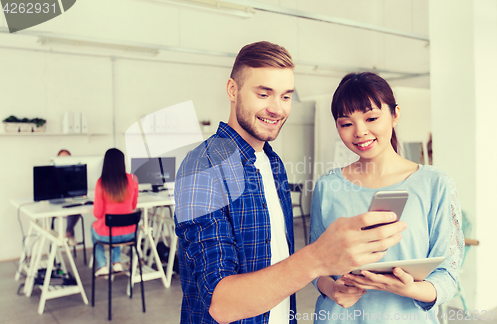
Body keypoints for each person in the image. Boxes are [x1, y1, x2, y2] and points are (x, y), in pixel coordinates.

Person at [174, 41, 407, 324]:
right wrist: (318, 258)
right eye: (264, 94)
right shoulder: (205, 167)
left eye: (286, 97)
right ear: (232, 90)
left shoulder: (273, 164)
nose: (277, 108)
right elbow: (221, 305)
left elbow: (277, 268)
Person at [309, 72, 464, 323]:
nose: (360, 132)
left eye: (371, 118)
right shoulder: (328, 186)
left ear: (395, 114)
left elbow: (448, 276)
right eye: (346, 123)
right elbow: (315, 266)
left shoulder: (435, 184)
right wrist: (332, 289)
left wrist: (409, 289)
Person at [91, 148, 139, 276]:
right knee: (117, 225)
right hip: (130, 234)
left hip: (108, 235)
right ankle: (116, 262)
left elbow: (98, 214)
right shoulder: (133, 179)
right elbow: (133, 205)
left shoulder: (101, 183)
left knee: (94, 228)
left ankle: (102, 265)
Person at [57, 149, 81, 246]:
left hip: (71, 200)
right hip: (58, 201)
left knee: (77, 208)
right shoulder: (54, 173)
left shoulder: (75, 172)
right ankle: (69, 234)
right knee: (71, 209)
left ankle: (68, 233)